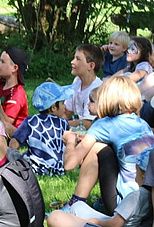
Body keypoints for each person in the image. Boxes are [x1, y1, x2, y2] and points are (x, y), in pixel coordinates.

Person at [62, 75, 154, 214]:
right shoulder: (143, 124)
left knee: (97, 147)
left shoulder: (105, 124)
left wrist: (70, 141)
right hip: (147, 202)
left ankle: (75, 203)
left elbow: (69, 164)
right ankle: (100, 203)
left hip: (125, 206)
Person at [47, 149, 154, 227]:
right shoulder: (148, 196)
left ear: (144, 175)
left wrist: (96, 221)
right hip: (117, 221)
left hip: (111, 224)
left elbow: (115, 224)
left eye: (136, 170)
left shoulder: (136, 196)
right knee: (77, 205)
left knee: (55, 217)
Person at [10, 81, 73, 176]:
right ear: (53, 108)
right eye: (63, 103)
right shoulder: (64, 123)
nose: (65, 106)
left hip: (34, 170)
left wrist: (13, 159)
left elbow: (14, 143)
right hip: (59, 170)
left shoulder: (31, 121)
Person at [0, 46, 30, 134]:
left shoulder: (17, 94)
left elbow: (7, 122)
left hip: (13, 135)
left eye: (2, 62)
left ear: (14, 68)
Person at [66, 44, 105, 130]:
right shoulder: (77, 82)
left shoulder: (97, 89)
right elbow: (66, 112)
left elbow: (88, 123)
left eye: (78, 59)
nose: (72, 62)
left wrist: (62, 124)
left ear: (91, 66)